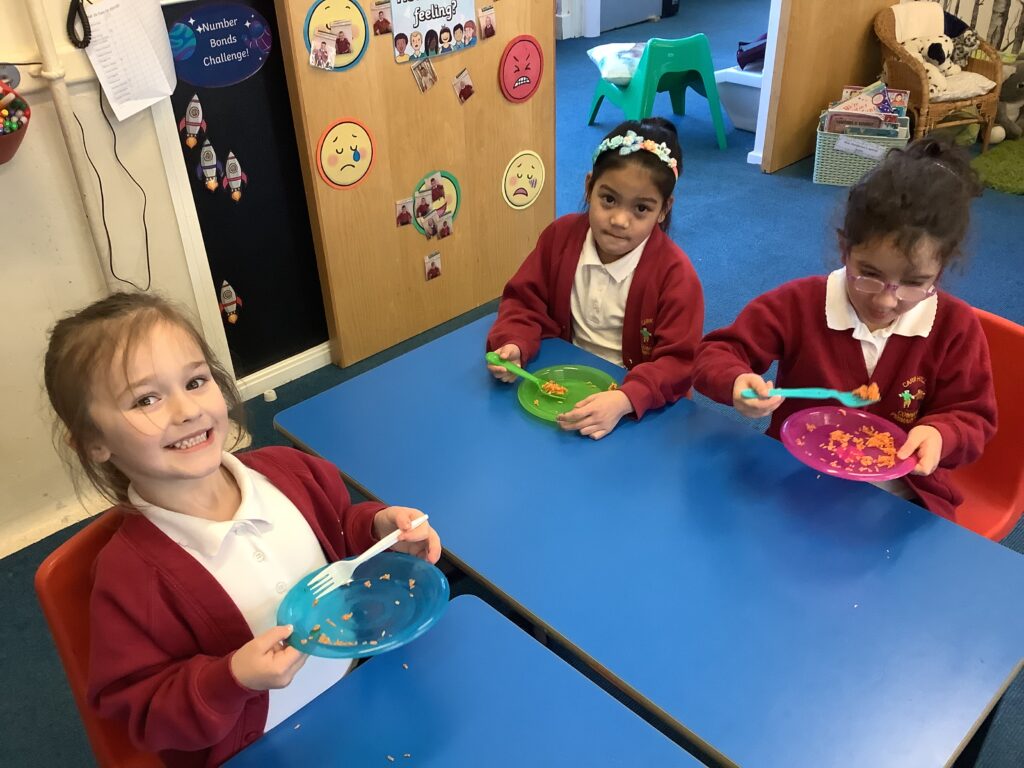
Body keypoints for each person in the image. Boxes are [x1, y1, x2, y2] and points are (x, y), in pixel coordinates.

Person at [43, 292, 442, 766]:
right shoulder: (129, 577)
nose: (187, 411)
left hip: (360, 690)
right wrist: (231, 678)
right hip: (257, 746)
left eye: (195, 381)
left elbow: (338, 530)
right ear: (93, 441)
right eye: (146, 399)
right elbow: (143, 712)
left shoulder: (290, 472)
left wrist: (380, 528)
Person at [692, 138, 996, 520]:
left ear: (942, 269)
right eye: (869, 275)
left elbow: (974, 418)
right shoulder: (799, 304)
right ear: (844, 249)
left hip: (898, 498)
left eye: (914, 282)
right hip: (793, 477)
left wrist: (939, 433)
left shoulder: (954, 328)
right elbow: (716, 352)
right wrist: (735, 380)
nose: (886, 301)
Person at [486, 117, 704, 440]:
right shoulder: (560, 238)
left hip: (638, 411)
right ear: (589, 187)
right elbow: (523, 301)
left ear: (664, 209)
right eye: (609, 200)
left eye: (641, 209)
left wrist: (625, 399)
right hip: (565, 387)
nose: (619, 220)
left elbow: (679, 363)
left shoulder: (676, 276)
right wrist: (514, 343)